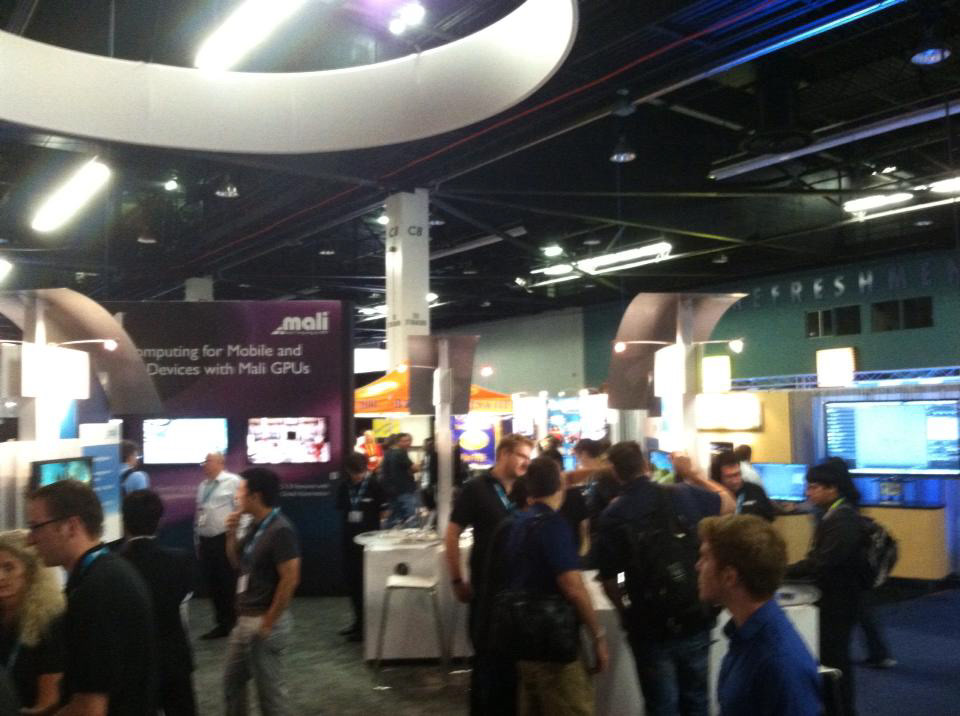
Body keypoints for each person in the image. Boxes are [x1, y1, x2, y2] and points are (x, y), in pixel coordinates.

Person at [594, 442, 723, 716]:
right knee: (697, 700)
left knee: (661, 706)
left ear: (616, 473)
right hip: (693, 615)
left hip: (648, 626)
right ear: (645, 465)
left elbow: (612, 580)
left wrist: (627, 608)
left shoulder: (612, 516)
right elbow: (729, 504)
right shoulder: (681, 493)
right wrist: (692, 474)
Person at [26, 479, 157, 715]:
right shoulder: (108, 571)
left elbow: (90, 708)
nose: (30, 539)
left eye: (36, 527)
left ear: (71, 526)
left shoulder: (96, 592)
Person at [506, 456, 608, 716]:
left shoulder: (519, 523)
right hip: (555, 645)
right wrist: (597, 636)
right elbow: (572, 587)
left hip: (523, 639)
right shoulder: (553, 525)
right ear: (561, 485)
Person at [444, 433, 534, 716]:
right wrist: (456, 579)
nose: (526, 463)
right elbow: (452, 534)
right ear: (504, 453)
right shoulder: (476, 489)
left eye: (529, 458)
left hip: (518, 592)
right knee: (486, 664)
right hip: (486, 592)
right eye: (521, 456)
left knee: (512, 666)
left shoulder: (524, 489)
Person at [697, 514, 821, 716]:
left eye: (705, 558)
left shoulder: (780, 663)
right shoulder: (745, 635)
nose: (698, 566)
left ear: (729, 577)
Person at [786, 461, 864, 715]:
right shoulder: (835, 514)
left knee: (835, 659)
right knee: (833, 657)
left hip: (839, 601)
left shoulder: (843, 518)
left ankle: (841, 710)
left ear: (833, 488)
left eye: (813, 487)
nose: (807, 492)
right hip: (836, 597)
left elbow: (822, 562)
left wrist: (784, 572)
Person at [224, 468, 301, 716]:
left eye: (241, 490)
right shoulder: (254, 526)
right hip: (245, 619)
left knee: (270, 697)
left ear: (255, 496)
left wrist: (268, 623)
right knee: (232, 683)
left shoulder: (280, 530)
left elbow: (290, 578)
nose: (237, 496)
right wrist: (231, 535)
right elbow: (237, 563)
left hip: (264, 622)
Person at [120, 490, 197, 716]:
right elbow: (183, 605)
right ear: (160, 521)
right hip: (174, 656)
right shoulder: (180, 560)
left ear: (124, 522)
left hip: (132, 662)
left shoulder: (114, 566)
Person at [0, 530, 65, 713]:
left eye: (8, 568)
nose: (0, 577)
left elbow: (49, 703)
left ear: (31, 573)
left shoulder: (49, 623)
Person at [335, 452, 387, 641]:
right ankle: (357, 622)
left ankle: (367, 627)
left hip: (370, 543)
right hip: (349, 541)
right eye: (354, 473)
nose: (357, 476)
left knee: (367, 584)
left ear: (365, 469)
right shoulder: (344, 486)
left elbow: (384, 511)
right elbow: (341, 508)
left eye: (360, 472)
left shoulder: (375, 485)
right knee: (353, 583)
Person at [195, 451, 241, 639]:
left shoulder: (233, 481)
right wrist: (197, 539)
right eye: (204, 461)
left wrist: (238, 538)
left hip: (225, 539)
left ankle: (234, 623)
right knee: (213, 584)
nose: (204, 464)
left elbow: (241, 510)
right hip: (206, 541)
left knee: (228, 582)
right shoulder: (203, 485)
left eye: (208, 461)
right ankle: (222, 623)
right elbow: (199, 513)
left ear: (220, 463)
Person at [712, 451, 775, 522]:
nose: (735, 481)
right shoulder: (713, 496)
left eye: (737, 474)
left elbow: (769, 518)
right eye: (729, 477)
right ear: (719, 478)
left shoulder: (755, 490)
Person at [380, 433, 419, 527]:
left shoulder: (388, 453)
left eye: (409, 441)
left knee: (394, 519)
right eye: (404, 441)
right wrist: (417, 466)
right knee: (410, 519)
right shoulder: (400, 453)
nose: (408, 443)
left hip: (392, 492)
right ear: (397, 442)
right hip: (405, 490)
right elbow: (415, 468)